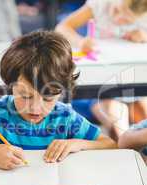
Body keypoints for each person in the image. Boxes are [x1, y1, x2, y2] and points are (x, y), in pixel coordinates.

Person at [0, 31, 117, 170]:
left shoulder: (64, 117)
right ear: (10, 86)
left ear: (61, 92)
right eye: (25, 96)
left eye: (48, 97)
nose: (36, 107)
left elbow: (109, 144)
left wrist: (77, 143)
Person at [56, 0, 147, 141]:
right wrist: (80, 42)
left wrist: (144, 36)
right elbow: (62, 27)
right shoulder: (99, 4)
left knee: (142, 121)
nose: (118, 18)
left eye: (127, 19)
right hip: (102, 87)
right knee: (119, 129)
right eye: (117, 10)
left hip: (133, 82)